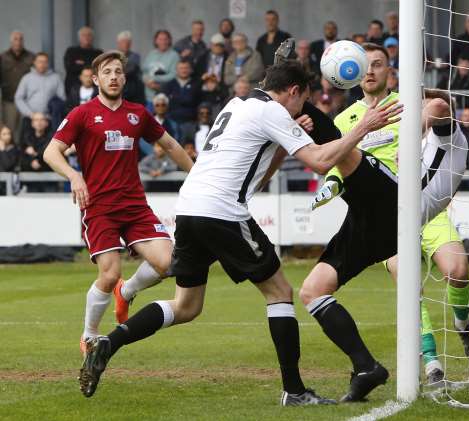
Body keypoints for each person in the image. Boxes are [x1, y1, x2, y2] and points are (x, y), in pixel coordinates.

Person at [77, 59, 402, 403]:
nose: (300, 107)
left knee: (186, 306)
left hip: (189, 210)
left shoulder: (237, 104)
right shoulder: (273, 113)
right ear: (294, 92)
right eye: (302, 99)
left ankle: (109, 343)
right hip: (222, 212)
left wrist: (286, 138)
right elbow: (321, 162)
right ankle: (294, 391)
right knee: (279, 292)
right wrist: (362, 127)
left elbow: (259, 174)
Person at [303, 43, 469, 398]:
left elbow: (438, 107)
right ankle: (427, 364)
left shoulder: (407, 105)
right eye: (365, 65)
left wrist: (418, 130)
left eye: (378, 64)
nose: (370, 71)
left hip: (417, 206)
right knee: (394, 282)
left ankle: (462, 323)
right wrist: (331, 184)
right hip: (381, 210)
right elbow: (339, 163)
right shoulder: (345, 118)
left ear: (390, 71)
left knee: (458, 270)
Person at [42, 51, 193, 361]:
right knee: (108, 273)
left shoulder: (138, 113)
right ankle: (89, 335)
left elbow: (171, 145)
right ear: (95, 79)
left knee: (169, 263)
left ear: (125, 79)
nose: (113, 76)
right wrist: (74, 176)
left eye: (118, 72)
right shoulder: (82, 114)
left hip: (135, 206)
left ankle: (126, 292)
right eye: (107, 72)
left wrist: (198, 175)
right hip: (98, 207)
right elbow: (51, 152)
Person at [15, 52, 65, 138]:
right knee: (27, 145)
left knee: (49, 146)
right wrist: (31, 114)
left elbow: (62, 98)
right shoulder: (27, 78)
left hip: (49, 119)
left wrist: (52, 114)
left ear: (48, 63)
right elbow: (18, 98)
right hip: (30, 118)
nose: (42, 64)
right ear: (34, 62)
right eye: (39, 61)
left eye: (45, 62)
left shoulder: (56, 78)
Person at [0, 31, 35, 137]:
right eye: (15, 39)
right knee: (10, 129)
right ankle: (12, 153)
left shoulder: (31, 57)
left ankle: (23, 152)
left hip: (27, 101)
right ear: (11, 41)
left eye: (20, 39)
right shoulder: (2, 57)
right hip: (9, 100)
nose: (18, 42)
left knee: (25, 129)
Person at [142, 30, 179, 105]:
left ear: (169, 41)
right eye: (160, 39)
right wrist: (147, 81)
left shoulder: (174, 56)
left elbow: (174, 75)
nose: (163, 42)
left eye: (165, 39)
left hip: (164, 97)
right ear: (156, 41)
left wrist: (154, 79)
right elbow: (144, 71)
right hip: (149, 97)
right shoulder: (151, 54)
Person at [63, 27, 103, 95]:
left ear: (92, 38)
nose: (86, 37)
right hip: (73, 88)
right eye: (84, 35)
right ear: (79, 38)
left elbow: (100, 70)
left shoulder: (99, 53)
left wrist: (81, 64)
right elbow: (69, 68)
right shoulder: (71, 51)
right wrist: (90, 64)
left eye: (89, 35)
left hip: (94, 89)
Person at [162, 60, 201, 125]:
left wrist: (175, 98)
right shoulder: (169, 85)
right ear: (176, 70)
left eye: (186, 68)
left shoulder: (197, 84)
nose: (184, 70)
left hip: (191, 121)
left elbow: (195, 101)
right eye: (181, 68)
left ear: (191, 70)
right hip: (172, 121)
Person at [116, 31, 145, 104]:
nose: (126, 44)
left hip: (133, 89)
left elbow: (131, 70)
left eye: (128, 42)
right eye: (123, 42)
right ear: (118, 43)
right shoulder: (113, 56)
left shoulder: (135, 56)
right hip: (118, 88)